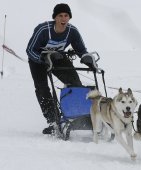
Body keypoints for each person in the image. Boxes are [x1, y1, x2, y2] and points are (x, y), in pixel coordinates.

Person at [26, 3, 90, 134]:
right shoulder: (43, 29)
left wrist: (86, 58)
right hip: (38, 60)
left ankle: (76, 117)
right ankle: (53, 121)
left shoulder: (72, 31)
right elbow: (30, 50)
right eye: (60, 15)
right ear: (55, 17)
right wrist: (41, 59)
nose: (63, 19)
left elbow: (81, 49)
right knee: (42, 88)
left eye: (66, 15)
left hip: (57, 57)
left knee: (75, 83)